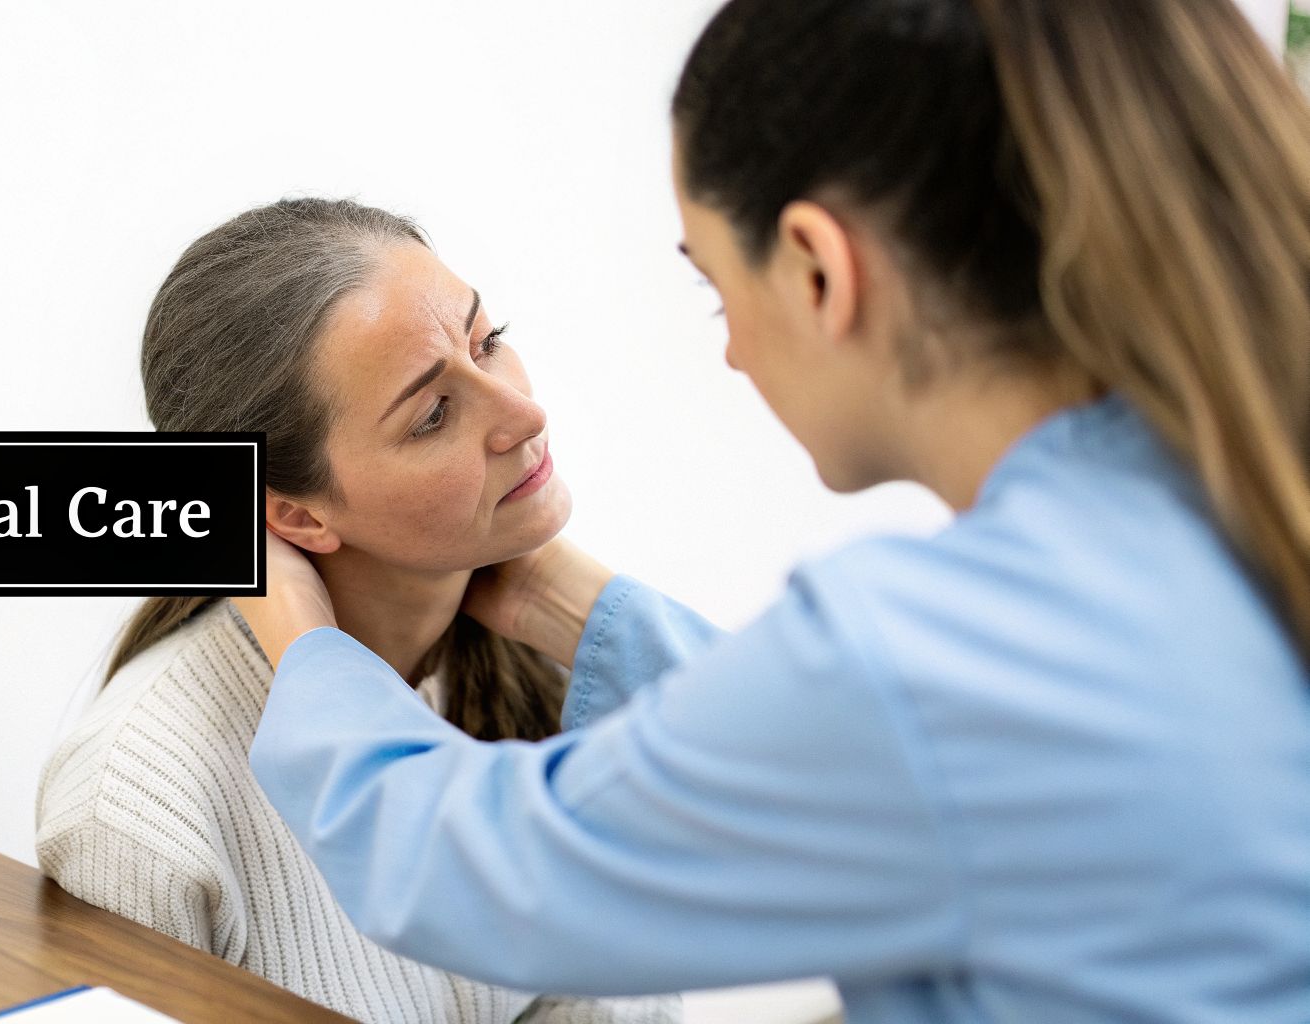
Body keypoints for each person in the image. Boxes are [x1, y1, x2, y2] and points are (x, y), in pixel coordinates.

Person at [236, 2, 1310, 1022]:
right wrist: (574, 605)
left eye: (715, 289)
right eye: (429, 411)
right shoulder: (1216, 485)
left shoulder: (920, 662)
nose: (732, 349)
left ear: (814, 268)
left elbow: (470, 864)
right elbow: (887, 772)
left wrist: (307, 649)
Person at [36, 198, 677, 1024]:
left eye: (490, 340)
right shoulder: (137, 806)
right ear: (295, 515)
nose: (525, 414)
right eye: (434, 414)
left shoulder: (567, 670)